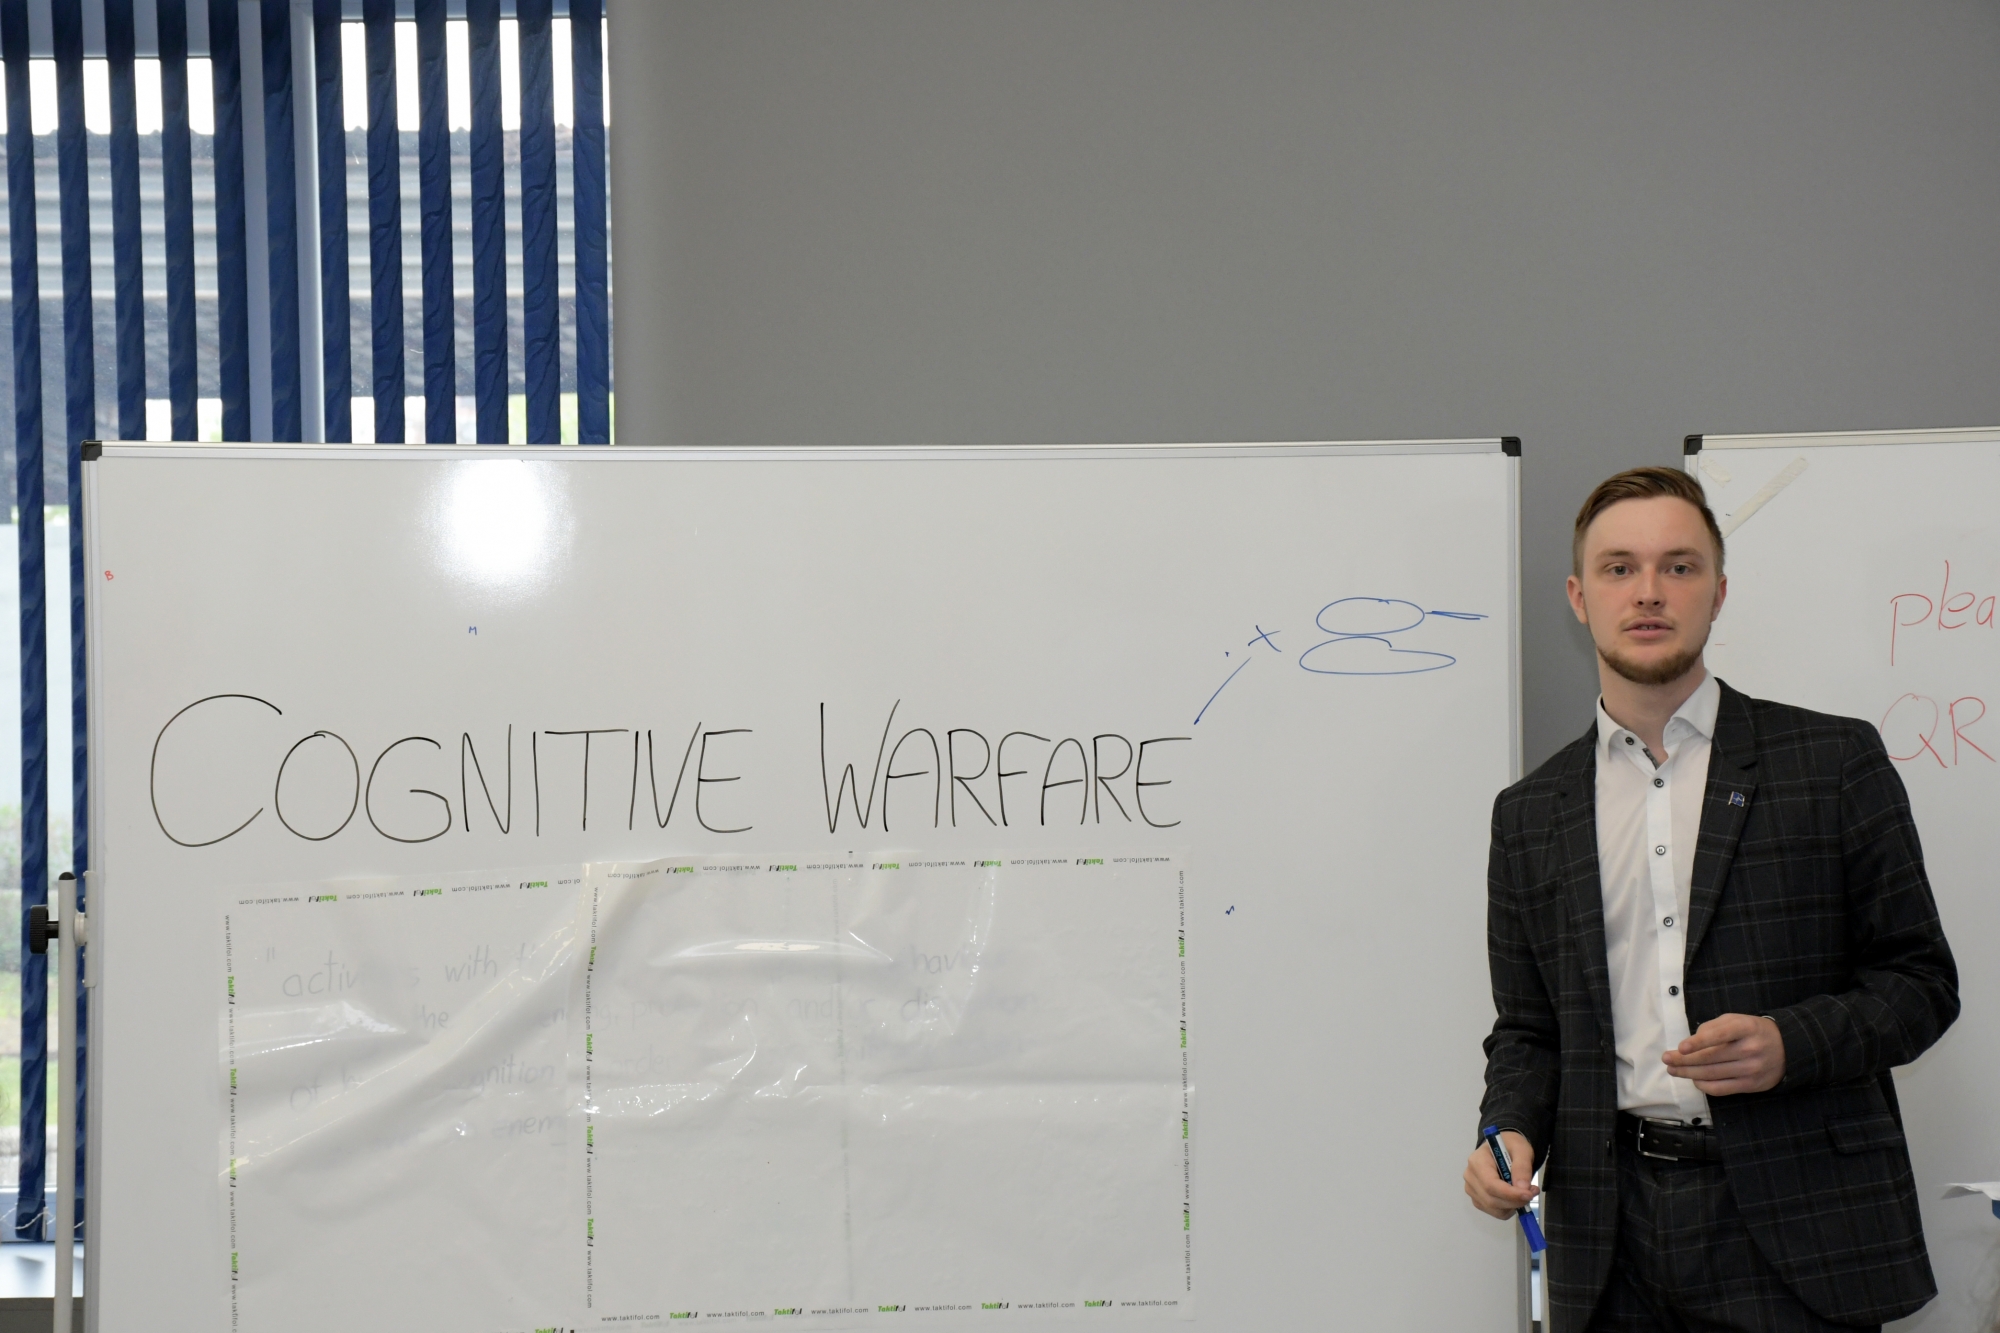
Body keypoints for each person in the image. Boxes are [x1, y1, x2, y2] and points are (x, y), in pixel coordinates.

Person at [1463, 466, 1959, 1332]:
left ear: (1719, 592)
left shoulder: (1833, 763)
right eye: (1619, 568)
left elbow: (1921, 983)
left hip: (1801, 1223)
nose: (1648, 591)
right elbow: (1529, 1029)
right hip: (1608, 1238)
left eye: (1679, 566)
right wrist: (1506, 1127)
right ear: (1579, 597)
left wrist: (1789, 1042)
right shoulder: (1529, 813)